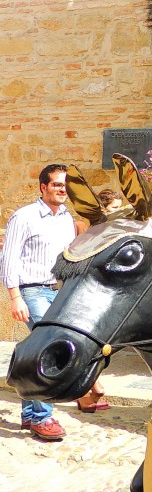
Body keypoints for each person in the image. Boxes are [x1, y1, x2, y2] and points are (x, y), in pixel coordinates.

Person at [1, 165, 75, 440]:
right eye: (57, 184)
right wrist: (15, 297)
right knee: (51, 349)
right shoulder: (25, 216)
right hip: (31, 291)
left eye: (65, 185)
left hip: (58, 291)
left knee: (37, 349)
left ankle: (29, 413)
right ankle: (43, 418)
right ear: (43, 187)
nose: (62, 189)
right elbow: (8, 258)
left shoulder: (67, 218)